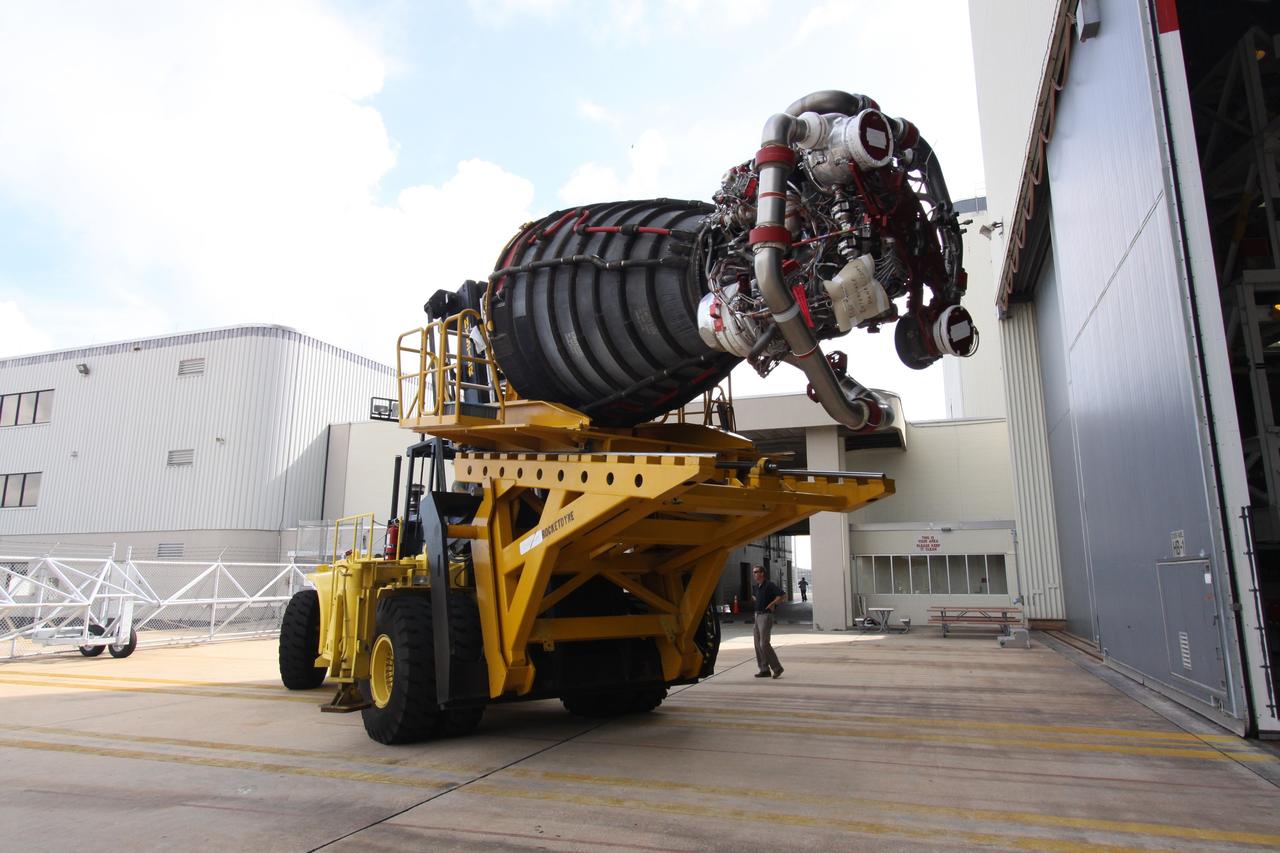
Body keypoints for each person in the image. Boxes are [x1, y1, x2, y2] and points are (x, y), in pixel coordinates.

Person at [750, 565, 786, 679]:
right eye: (753, 572)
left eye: (756, 572)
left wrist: (772, 604)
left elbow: (782, 595)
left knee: (764, 643)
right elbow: (754, 597)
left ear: (762, 573)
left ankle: (777, 668)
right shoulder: (756, 587)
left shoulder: (769, 585)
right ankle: (764, 669)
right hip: (756, 616)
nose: (754, 574)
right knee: (757, 644)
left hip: (765, 616)